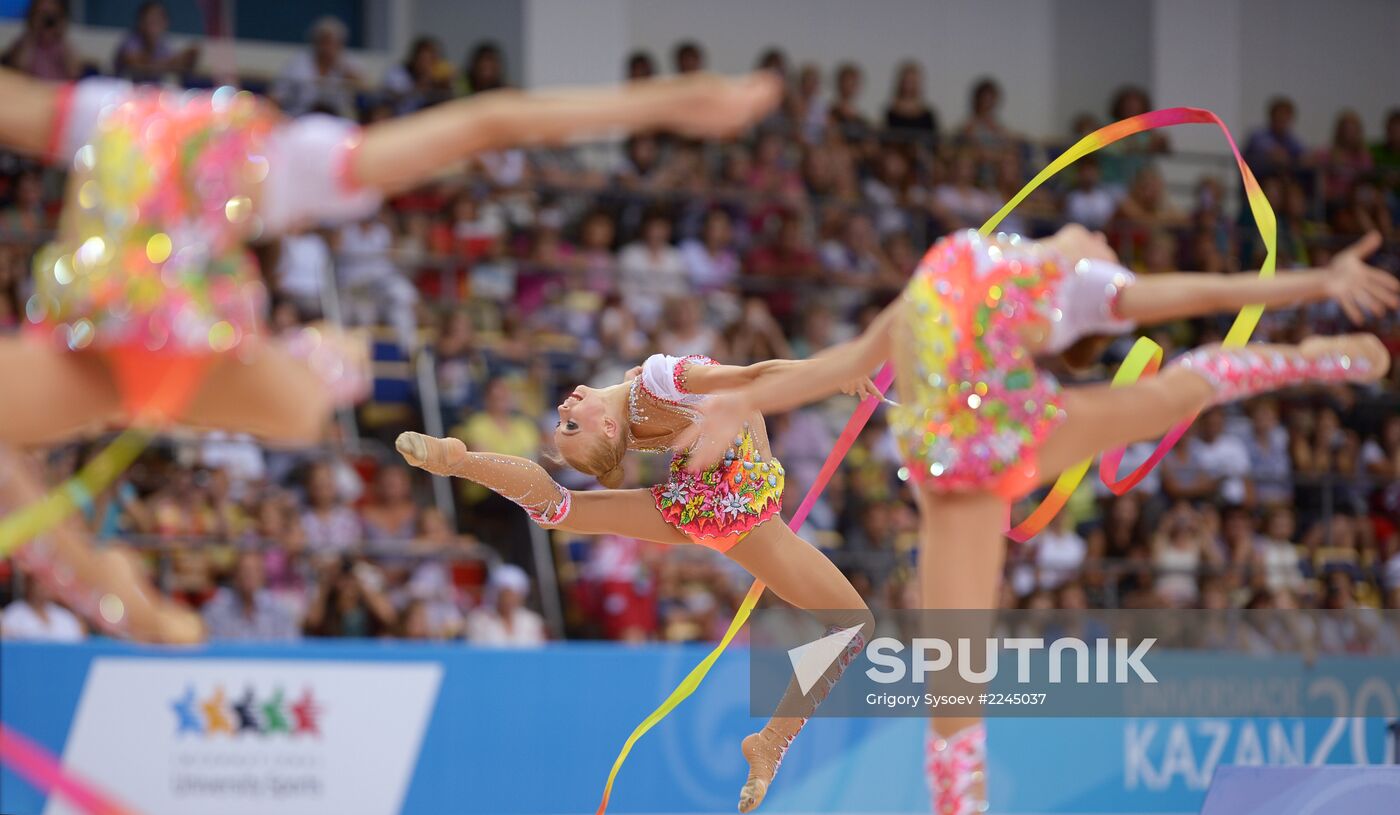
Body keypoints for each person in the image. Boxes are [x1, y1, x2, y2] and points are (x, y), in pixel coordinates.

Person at [676, 224, 1397, 814]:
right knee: (954, 697)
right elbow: (855, 358)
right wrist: (747, 398)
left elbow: (1195, 292)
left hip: (1000, 444)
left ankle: (1314, 357)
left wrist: (1316, 283)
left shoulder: (1080, 289)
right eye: (1110, 245)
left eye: (1113, 250)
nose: (1108, 244)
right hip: (954, 468)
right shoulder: (962, 257)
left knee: (1177, 396)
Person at [0, 66, 781, 448]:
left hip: (82, 334)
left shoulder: (100, 115)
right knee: (310, 402)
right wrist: (666, 104)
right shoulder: (293, 159)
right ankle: (320, 361)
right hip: (175, 348)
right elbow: (492, 122)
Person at [396, 351, 879, 812]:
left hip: (690, 509)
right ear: (607, 427)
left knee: (560, 510)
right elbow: (754, 377)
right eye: (570, 424)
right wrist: (833, 372)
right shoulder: (655, 381)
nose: (563, 409)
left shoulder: (634, 402)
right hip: (738, 513)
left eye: (563, 423)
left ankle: (457, 460)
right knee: (852, 624)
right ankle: (769, 744)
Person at [272, 16, 363, 117]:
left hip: (336, 118)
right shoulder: (298, 63)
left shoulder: (349, 62)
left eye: (332, 42)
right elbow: (277, 94)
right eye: (324, 41)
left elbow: (362, 87)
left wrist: (338, 65)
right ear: (315, 41)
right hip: (301, 116)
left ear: (340, 44)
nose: (327, 47)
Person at [201, 550, 301, 641]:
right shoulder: (215, 611)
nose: (249, 575)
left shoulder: (280, 612)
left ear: (263, 576)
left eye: (256, 571)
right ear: (235, 575)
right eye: (244, 570)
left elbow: (291, 649)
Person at [112, 1, 198, 85]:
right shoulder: (131, 41)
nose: (154, 25)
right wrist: (173, 62)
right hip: (124, 92)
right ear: (141, 22)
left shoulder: (163, 45)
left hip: (152, 92)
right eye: (150, 19)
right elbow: (136, 65)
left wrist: (184, 60)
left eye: (158, 19)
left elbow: (178, 67)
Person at [465, 563, 546, 646]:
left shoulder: (532, 621)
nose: (509, 600)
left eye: (514, 595)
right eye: (505, 595)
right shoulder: (479, 620)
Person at [1, 0, 81, 81]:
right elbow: (18, 68)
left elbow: (74, 72)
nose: (47, 21)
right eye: (42, 14)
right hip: (30, 90)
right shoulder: (25, 42)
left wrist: (60, 33)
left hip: (56, 90)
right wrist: (33, 32)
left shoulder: (63, 45)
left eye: (52, 16)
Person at [1, 567, 85, 642]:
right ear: (29, 584)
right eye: (40, 582)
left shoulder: (66, 618)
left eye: (48, 582)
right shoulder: (13, 616)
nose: (44, 587)